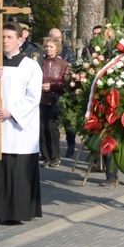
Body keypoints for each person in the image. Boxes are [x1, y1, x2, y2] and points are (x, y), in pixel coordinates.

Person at [0, 22, 43, 228]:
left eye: (9, 37)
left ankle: (14, 212)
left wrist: (11, 112)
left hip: (18, 128)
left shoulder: (31, 66)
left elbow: (33, 97)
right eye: (2, 37)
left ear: (21, 39)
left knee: (15, 170)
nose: (4, 40)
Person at [40, 37, 70, 168]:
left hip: (56, 99)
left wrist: (52, 86)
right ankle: (45, 156)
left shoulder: (63, 64)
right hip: (41, 98)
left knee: (52, 127)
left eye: (51, 46)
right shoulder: (40, 62)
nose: (48, 49)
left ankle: (55, 156)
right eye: (46, 46)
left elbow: (67, 83)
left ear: (57, 48)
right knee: (41, 128)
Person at [48, 27, 77, 157]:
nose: (57, 40)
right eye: (54, 38)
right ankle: (52, 151)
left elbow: (73, 71)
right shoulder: (46, 52)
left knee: (68, 121)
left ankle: (70, 143)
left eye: (58, 38)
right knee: (51, 124)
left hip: (65, 93)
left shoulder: (68, 53)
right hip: (48, 95)